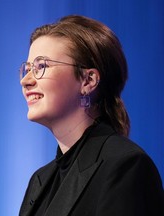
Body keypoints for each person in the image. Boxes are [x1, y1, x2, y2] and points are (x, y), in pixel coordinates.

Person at [18, 15, 164, 216]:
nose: (25, 80)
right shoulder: (40, 180)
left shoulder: (125, 165)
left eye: (41, 66)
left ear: (88, 80)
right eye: (27, 69)